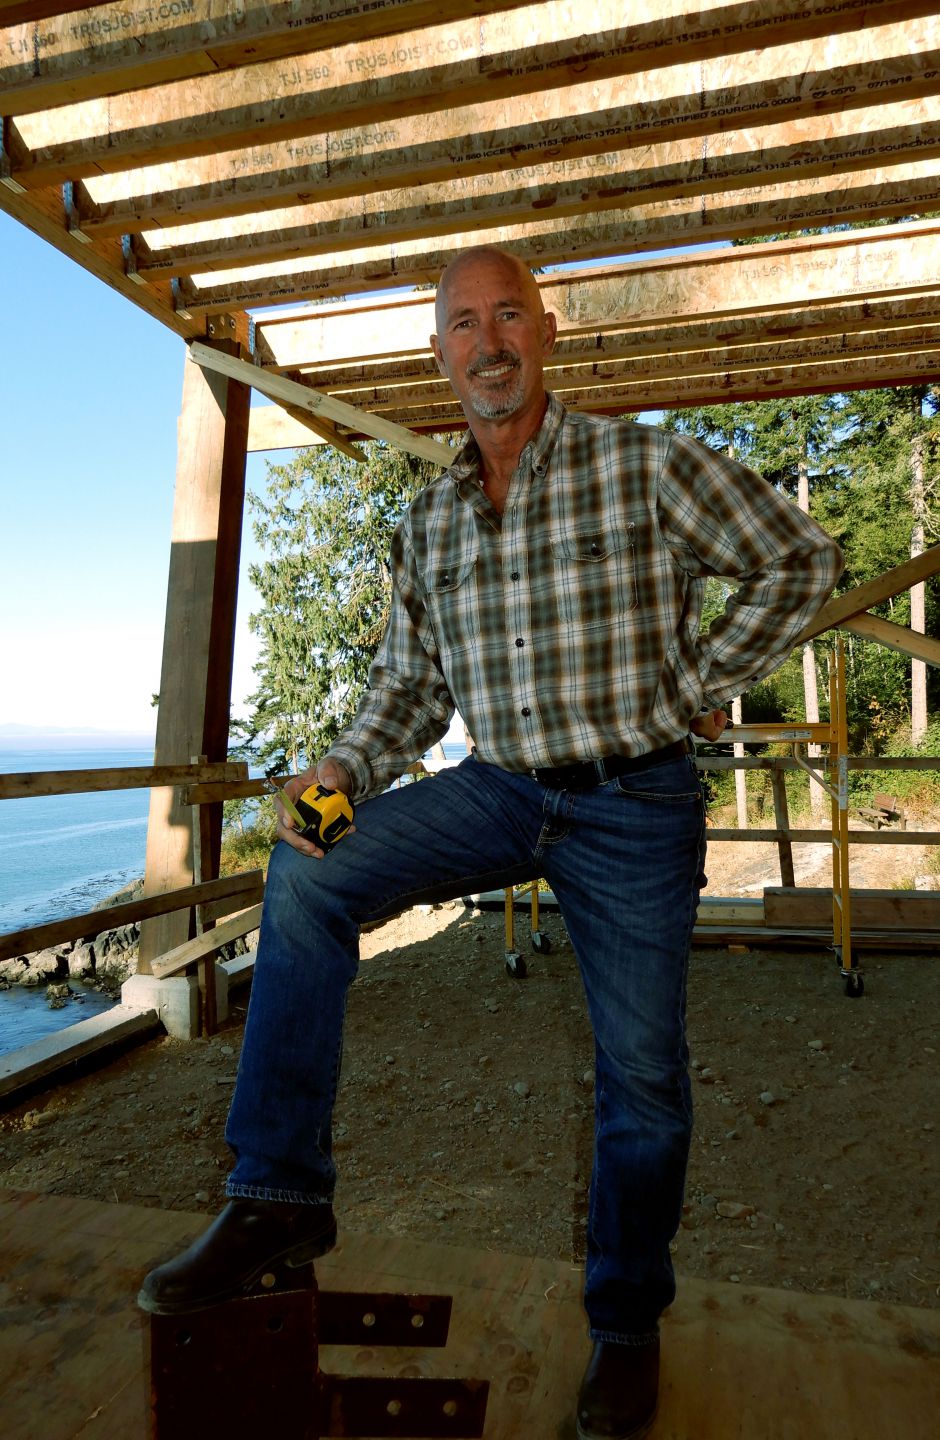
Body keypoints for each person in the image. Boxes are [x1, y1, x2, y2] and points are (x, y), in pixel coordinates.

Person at [140, 246, 842, 1440]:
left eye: (507, 315)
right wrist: (342, 768)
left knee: (646, 1079)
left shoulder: (643, 463)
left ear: (547, 332)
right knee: (309, 876)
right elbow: (404, 692)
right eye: (462, 324)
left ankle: (624, 1326)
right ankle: (277, 1196)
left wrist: (693, 681)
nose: (488, 342)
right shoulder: (424, 524)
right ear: (438, 355)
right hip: (500, 787)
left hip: (632, 800)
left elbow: (800, 559)